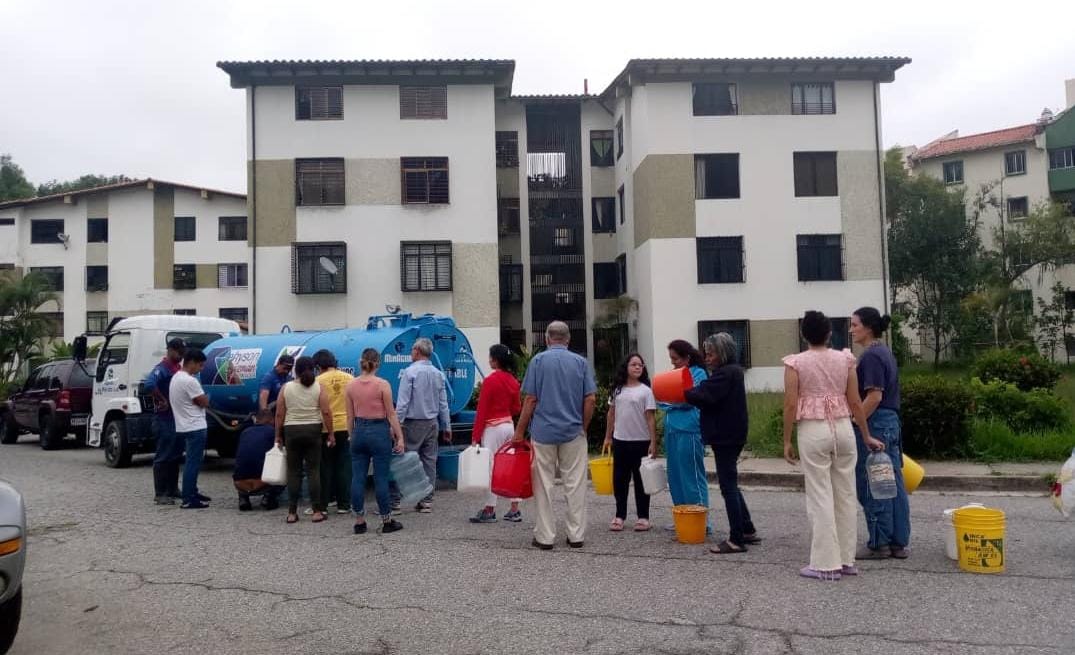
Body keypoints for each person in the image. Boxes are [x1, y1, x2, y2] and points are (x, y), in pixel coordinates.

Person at [782, 311, 884, 581]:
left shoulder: (795, 363)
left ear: (804, 334)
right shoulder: (845, 359)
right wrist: (865, 435)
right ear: (829, 334)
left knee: (820, 495)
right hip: (842, 428)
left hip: (813, 429)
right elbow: (854, 401)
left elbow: (791, 403)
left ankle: (825, 564)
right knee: (845, 493)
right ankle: (845, 559)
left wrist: (786, 439)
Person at [514, 321, 597, 550]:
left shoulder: (538, 361)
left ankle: (545, 536)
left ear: (548, 339)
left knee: (543, 485)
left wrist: (519, 432)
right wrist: (583, 426)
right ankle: (576, 535)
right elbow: (590, 399)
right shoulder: (581, 363)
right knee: (575, 484)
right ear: (568, 339)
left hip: (543, 432)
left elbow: (530, 399)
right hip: (573, 432)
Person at [685, 333, 758, 554]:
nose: (707, 358)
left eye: (711, 354)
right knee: (731, 483)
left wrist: (683, 392)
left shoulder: (725, 374)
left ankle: (736, 539)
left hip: (725, 436)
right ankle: (746, 528)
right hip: (732, 434)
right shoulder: (732, 372)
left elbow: (703, 395)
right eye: (706, 354)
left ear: (723, 353)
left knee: (728, 486)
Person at [851, 307, 911, 560]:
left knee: (873, 482)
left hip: (876, 422)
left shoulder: (872, 356)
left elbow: (874, 396)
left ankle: (879, 542)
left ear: (868, 327)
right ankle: (898, 541)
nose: (851, 329)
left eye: (855, 325)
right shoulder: (885, 352)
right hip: (891, 422)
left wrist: (856, 420)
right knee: (893, 482)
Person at [346, 348, 405, 535]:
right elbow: (391, 414)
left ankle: (359, 521)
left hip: (359, 431)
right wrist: (400, 437)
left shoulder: (351, 385)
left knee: (358, 478)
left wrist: (350, 435)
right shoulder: (382, 385)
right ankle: (386, 520)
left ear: (360, 362)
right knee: (381, 478)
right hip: (379, 431)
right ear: (377, 364)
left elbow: (350, 416)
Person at [394, 338, 451, 514]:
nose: (411, 353)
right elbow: (443, 403)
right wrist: (447, 426)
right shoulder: (438, 374)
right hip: (432, 423)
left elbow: (403, 403)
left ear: (417, 351)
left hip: (412, 423)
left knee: (403, 461)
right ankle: (426, 501)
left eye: (412, 349)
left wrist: (396, 425)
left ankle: (395, 502)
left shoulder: (409, 373)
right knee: (429, 461)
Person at [275, 356, 334, 524]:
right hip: (313, 430)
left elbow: (280, 413)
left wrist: (278, 436)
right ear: (313, 369)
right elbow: (326, 412)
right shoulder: (319, 388)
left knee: (294, 472)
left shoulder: (286, 388)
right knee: (313, 471)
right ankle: (316, 511)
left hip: (291, 431)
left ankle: (292, 512)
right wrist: (331, 433)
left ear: (296, 370)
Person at [659, 340, 711, 529]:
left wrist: (673, 402)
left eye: (676, 359)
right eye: (671, 359)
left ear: (687, 358)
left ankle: (701, 520)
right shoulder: (674, 374)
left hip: (690, 430)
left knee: (692, 476)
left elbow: (690, 400)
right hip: (672, 429)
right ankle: (683, 516)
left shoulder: (698, 373)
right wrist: (674, 401)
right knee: (676, 476)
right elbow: (661, 399)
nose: (673, 362)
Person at [469, 344, 522, 524]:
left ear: (496, 360)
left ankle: (490, 509)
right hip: (509, 426)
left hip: (492, 428)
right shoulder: (514, 381)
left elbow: (481, 411)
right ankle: (515, 509)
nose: (489, 360)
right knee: (510, 467)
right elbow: (516, 408)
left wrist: (475, 437)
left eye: (491, 357)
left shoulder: (490, 381)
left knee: (491, 468)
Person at [604, 353, 657, 532]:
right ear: (626, 367)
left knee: (642, 481)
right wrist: (608, 436)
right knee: (620, 479)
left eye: (640, 365)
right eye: (633, 364)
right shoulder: (617, 390)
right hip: (621, 440)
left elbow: (650, 418)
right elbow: (611, 414)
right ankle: (620, 515)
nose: (637, 367)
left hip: (641, 441)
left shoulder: (646, 391)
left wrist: (653, 442)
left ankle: (643, 517)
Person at [169, 349, 212, 510]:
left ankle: (192, 491)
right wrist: (206, 398)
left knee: (192, 461)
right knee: (193, 463)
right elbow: (203, 402)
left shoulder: (176, 378)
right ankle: (188, 497)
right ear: (191, 362)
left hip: (183, 424)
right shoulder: (190, 381)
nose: (201, 369)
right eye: (200, 365)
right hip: (195, 426)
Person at [314, 349, 354, 515]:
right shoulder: (350, 378)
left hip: (326, 428)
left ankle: (323, 504)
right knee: (344, 466)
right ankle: (344, 504)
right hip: (346, 427)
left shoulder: (317, 381)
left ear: (318, 366)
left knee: (325, 466)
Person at [146, 337, 186, 505]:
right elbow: (149, 384)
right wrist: (161, 399)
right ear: (170, 350)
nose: (181, 355)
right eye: (179, 351)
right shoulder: (161, 369)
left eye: (183, 352)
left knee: (175, 455)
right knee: (163, 455)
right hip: (164, 419)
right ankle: (160, 492)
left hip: (176, 419)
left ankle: (172, 488)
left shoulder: (178, 368)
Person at [232, 408, 284, 511]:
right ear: (271, 420)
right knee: (283, 461)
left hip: (239, 482)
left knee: (245, 462)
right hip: (263, 483)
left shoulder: (245, 432)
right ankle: (269, 497)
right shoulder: (273, 432)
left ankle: (243, 498)